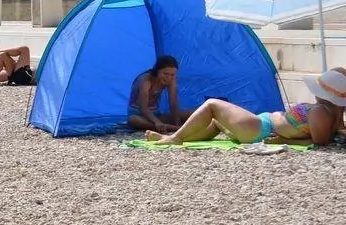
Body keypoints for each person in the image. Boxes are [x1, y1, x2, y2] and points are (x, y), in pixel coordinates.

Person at [157, 67, 346, 146]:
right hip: (261, 126)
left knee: (212, 104)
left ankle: (175, 138)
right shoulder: (329, 113)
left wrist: (284, 141)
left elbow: (319, 142)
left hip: (262, 129)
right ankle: (178, 138)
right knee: (216, 121)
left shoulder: (320, 112)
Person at [127, 55, 186, 134]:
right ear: (157, 71)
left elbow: (173, 103)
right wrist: (157, 122)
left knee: (192, 113)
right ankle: (173, 128)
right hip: (139, 115)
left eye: (172, 75)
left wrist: (177, 122)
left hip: (156, 115)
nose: (168, 78)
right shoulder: (145, 80)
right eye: (165, 74)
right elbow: (143, 108)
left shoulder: (171, 79)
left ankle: (172, 127)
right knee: (133, 120)